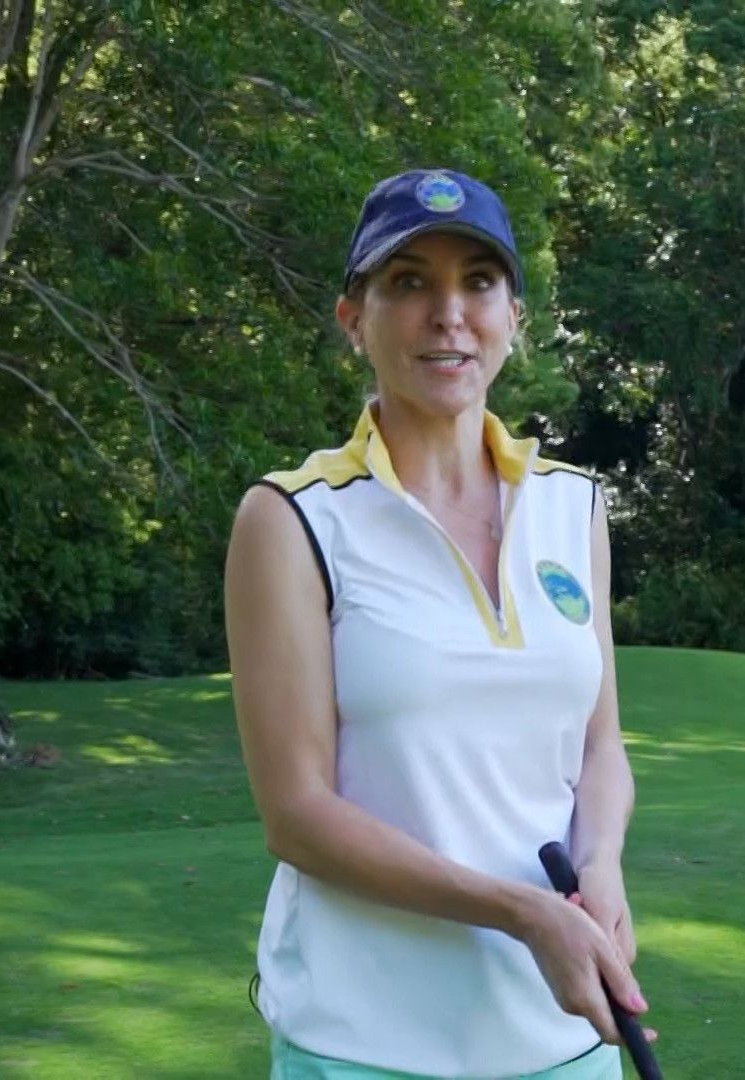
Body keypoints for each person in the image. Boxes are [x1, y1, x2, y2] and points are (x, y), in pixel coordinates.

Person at [225, 168, 655, 1079]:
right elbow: (297, 816)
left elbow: (598, 746)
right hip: (365, 1046)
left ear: (514, 318)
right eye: (409, 282)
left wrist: (602, 863)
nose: (448, 314)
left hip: (563, 1038)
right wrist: (523, 913)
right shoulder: (295, 518)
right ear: (355, 319)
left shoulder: (573, 505)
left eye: (479, 282)